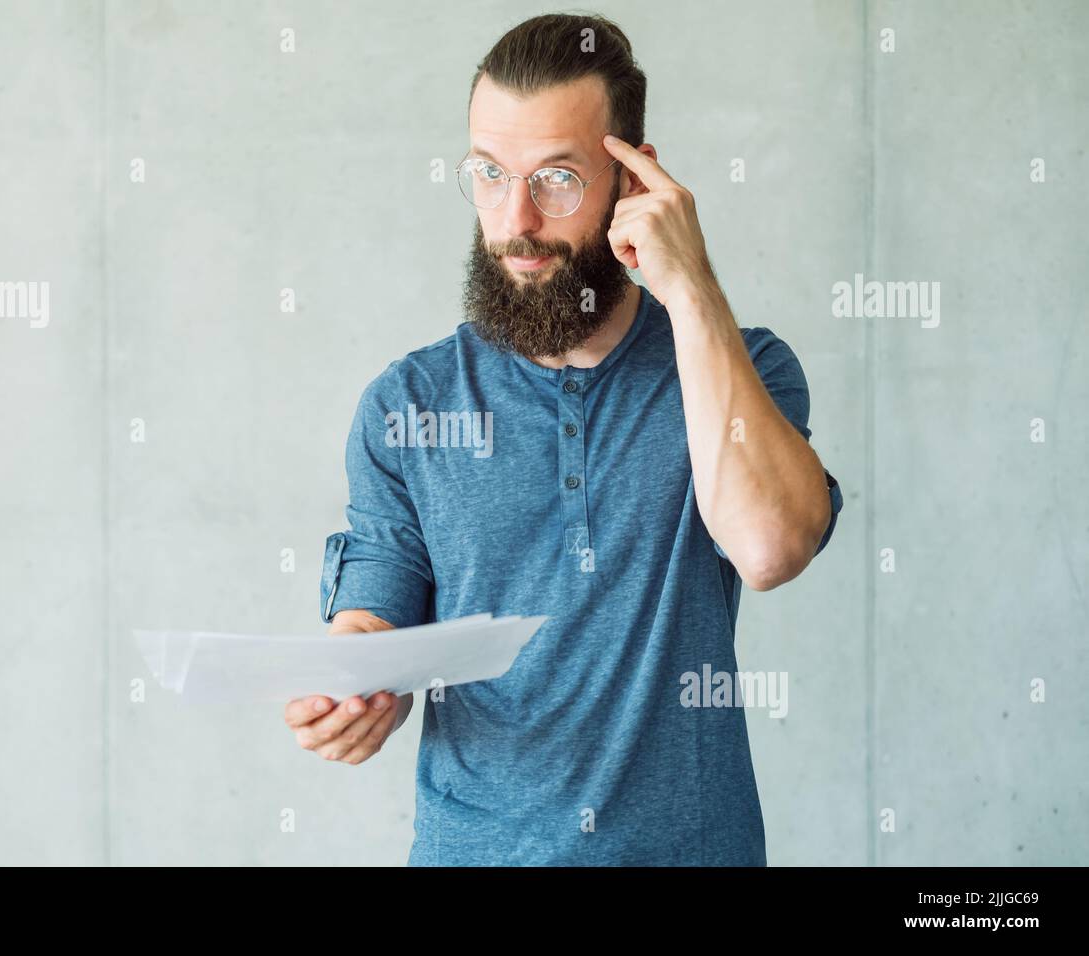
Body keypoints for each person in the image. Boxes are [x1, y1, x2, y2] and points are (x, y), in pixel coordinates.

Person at [284, 12, 843, 866]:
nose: (516, 220)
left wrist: (689, 287)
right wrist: (358, 688)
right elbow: (376, 614)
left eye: (556, 178)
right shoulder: (409, 402)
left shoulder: (743, 367)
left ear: (632, 177)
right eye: (488, 173)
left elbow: (771, 548)